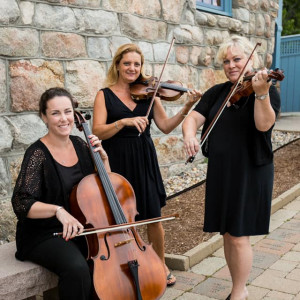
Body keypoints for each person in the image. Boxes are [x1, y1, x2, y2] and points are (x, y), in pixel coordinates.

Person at [92, 43, 201, 286]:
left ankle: (159, 263)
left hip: (144, 158)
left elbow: (165, 125)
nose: (132, 68)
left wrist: (186, 107)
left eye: (137, 64)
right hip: (117, 159)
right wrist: (124, 122)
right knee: (125, 216)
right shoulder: (104, 95)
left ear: (142, 67)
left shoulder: (150, 93)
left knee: (153, 215)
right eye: (127, 63)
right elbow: (97, 131)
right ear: (118, 66)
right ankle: (132, 262)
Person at [182, 35, 280, 300]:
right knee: (226, 233)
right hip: (221, 171)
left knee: (238, 235)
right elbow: (192, 118)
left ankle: (238, 293)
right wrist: (190, 134)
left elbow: (263, 125)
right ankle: (240, 286)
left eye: (237, 59)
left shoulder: (266, 90)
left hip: (250, 171)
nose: (231, 65)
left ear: (252, 58)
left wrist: (260, 94)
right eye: (226, 61)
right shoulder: (218, 92)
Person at [11, 87, 110, 300]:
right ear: (44, 117)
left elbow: (106, 189)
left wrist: (103, 159)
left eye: (67, 111)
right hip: (45, 233)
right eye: (55, 113)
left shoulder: (81, 145)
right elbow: (21, 202)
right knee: (77, 268)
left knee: (104, 261)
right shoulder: (37, 153)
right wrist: (58, 211)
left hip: (79, 227)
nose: (63, 119)